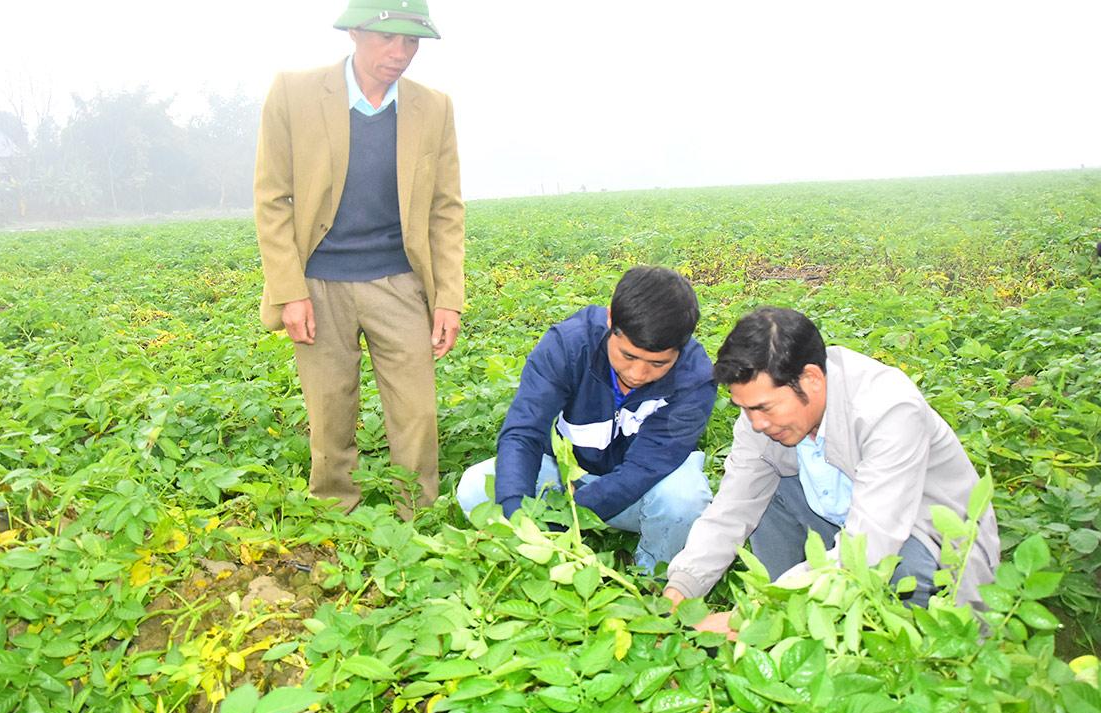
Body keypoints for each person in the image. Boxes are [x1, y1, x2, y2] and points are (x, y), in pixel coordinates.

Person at [253, 0, 464, 511]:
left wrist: (448, 298)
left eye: (411, 41)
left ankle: (417, 517)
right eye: (387, 38)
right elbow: (272, 199)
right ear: (354, 33)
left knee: (417, 415)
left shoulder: (433, 107)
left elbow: (445, 209)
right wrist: (289, 292)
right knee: (329, 413)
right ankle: (334, 513)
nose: (400, 53)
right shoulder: (294, 93)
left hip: (399, 281)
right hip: (318, 283)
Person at [664, 307, 999, 620]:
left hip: (927, 542)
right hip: (842, 526)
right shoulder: (761, 417)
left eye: (764, 408)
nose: (756, 423)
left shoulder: (887, 409)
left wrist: (753, 614)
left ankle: (795, 613)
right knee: (762, 493)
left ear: (811, 379)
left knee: (901, 568)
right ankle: (788, 622)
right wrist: (682, 587)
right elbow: (732, 508)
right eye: (745, 409)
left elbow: (872, 546)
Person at [457, 266, 717, 571]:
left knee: (685, 502)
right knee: (476, 488)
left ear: (681, 349)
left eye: (658, 364)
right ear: (611, 320)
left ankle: (652, 578)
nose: (637, 374)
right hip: (565, 476)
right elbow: (524, 432)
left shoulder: (694, 377)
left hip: (642, 487)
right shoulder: (568, 346)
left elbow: (645, 468)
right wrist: (518, 515)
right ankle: (529, 554)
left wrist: (567, 515)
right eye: (628, 355)